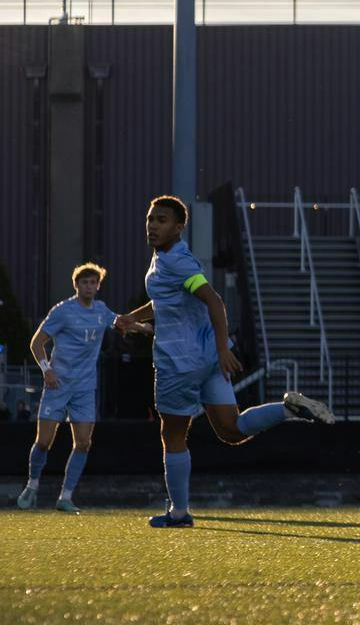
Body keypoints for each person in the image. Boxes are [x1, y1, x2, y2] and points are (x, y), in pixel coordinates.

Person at [113, 195, 336, 528]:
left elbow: (213, 300)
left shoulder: (178, 262)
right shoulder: (165, 260)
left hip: (181, 363)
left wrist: (222, 348)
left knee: (172, 435)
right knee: (232, 431)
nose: (153, 225)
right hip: (205, 360)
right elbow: (165, 299)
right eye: (150, 219)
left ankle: (179, 513)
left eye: (161, 220)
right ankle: (288, 409)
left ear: (179, 227)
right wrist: (132, 316)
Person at [17, 263, 113, 512]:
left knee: (83, 442)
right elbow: (36, 343)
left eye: (93, 282)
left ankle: (65, 497)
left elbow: (120, 321)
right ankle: (32, 485)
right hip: (58, 383)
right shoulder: (62, 311)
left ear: (98, 286)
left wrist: (144, 326)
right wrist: (46, 370)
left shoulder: (101, 310)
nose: (89, 287)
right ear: (76, 285)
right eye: (85, 283)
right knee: (44, 441)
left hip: (85, 387)